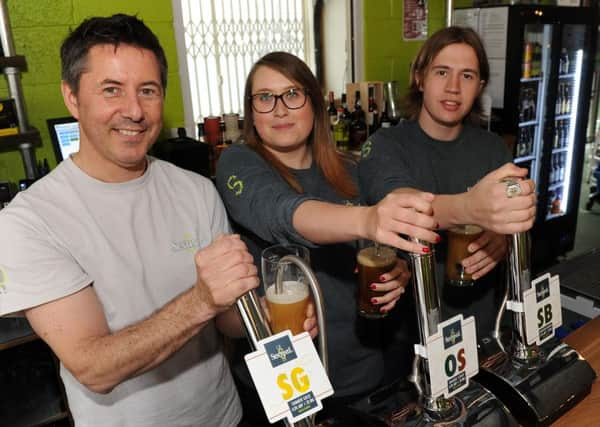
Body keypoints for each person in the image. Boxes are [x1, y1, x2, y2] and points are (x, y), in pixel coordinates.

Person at [0, 14, 271, 427]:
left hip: (224, 417)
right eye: (112, 90)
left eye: (148, 90)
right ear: (71, 97)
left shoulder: (195, 190)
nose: (134, 111)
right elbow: (94, 367)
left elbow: (225, 320)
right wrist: (200, 300)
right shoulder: (30, 220)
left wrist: (265, 316)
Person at [215, 51, 439, 425]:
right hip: (282, 389)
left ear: (315, 105)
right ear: (251, 112)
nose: (280, 109)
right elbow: (282, 213)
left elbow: (375, 247)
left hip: (361, 375)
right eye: (265, 98)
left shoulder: (349, 171)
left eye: (293, 94)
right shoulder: (238, 164)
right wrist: (366, 219)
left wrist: (398, 270)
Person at [359, 26, 537, 339]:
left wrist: (503, 237)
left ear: (479, 85)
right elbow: (403, 210)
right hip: (407, 339)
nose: (453, 87)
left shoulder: (493, 148)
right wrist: (473, 208)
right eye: (442, 72)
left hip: (480, 328)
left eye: (467, 76)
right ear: (419, 77)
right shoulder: (384, 145)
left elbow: (521, 235)